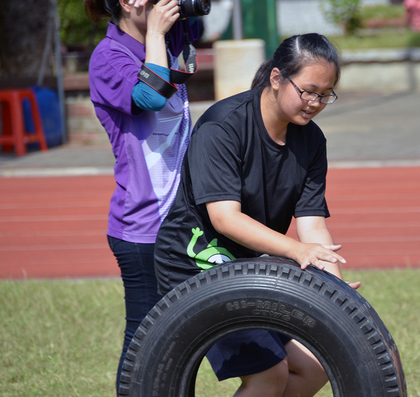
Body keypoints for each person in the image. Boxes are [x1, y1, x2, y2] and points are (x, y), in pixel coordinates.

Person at [154, 33, 360, 397]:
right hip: (194, 264)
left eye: (325, 95)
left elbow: (312, 224)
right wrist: (296, 252)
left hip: (249, 266)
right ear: (277, 78)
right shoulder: (223, 126)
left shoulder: (311, 141)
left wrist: (333, 288)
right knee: (269, 374)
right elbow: (224, 218)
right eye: (308, 91)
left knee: (313, 368)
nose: (315, 103)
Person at [84, 0, 199, 393]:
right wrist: (154, 34)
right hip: (142, 228)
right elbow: (149, 98)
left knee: (184, 335)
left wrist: (161, 32)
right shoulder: (109, 56)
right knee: (145, 337)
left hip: (180, 220)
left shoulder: (171, 37)